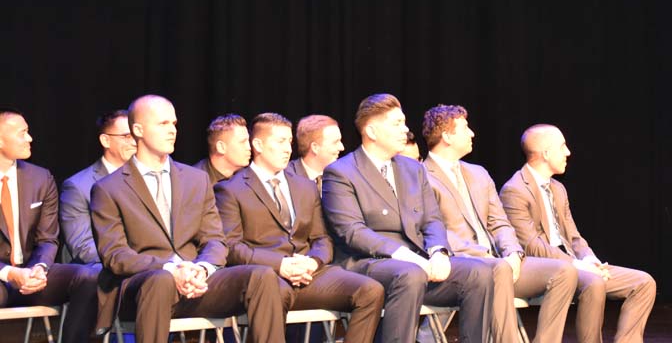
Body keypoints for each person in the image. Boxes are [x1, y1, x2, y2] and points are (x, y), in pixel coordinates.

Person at [90, 95, 286, 342]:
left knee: (262, 276)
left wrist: (202, 268)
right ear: (138, 130)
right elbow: (115, 256)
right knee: (160, 281)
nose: (172, 130)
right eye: (162, 124)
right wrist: (171, 269)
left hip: (196, 281)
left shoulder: (196, 179)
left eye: (174, 124)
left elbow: (215, 240)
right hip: (142, 285)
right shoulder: (109, 188)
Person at [321, 94, 497, 343]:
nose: (405, 129)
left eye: (403, 122)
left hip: (419, 263)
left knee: (478, 272)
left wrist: (438, 252)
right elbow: (352, 232)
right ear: (371, 131)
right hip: (368, 263)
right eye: (396, 123)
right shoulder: (341, 172)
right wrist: (409, 258)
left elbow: (432, 219)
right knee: (409, 274)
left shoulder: (412, 168)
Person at [215, 113, 384, 343]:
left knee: (370, 291)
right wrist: (281, 265)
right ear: (258, 145)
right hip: (269, 276)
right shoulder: (231, 189)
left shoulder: (304, 186)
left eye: (290, 142)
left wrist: (312, 262)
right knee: (272, 292)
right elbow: (232, 248)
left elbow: (322, 239)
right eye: (280, 142)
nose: (287, 149)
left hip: (309, 274)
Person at [423, 105, 576, 343]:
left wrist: (513, 253)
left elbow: (500, 223)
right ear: (446, 136)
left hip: (501, 261)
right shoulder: (422, 176)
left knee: (564, 272)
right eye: (465, 128)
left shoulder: (479, 173)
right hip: (463, 264)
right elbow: (433, 231)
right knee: (499, 270)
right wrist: (493, 260)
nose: (472, 133)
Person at [500, 125, 655, 343]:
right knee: (594, 281)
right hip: (546, 269)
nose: (568, 152)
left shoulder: (558, 189)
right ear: (545, 153)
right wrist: (578, 265)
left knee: (643, 282)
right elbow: (532, 247)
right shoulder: (514, 190)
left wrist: (590, 259)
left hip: (576, 264)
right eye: (562, 146)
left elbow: (574, 237)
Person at [0, 109, 99, 343]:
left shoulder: (40, 178)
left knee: (88, 276)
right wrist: (11, 273)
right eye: (22, 133)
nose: (30, 138)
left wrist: (40, 268)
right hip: (2, 276)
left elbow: (48, 239)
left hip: (32, 272)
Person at [59, 109, 138, 264]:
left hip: (151, 266)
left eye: (136, 136)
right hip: (106, 268)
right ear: (105, 140)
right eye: (127, 136)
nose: (135, 142)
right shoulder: (78, 186)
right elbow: (83, 247)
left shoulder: (148, 177)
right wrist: (132, 264)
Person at [287, 115, 344, 189]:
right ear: (315, 147)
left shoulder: (340, 177)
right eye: (335, 142)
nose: (342, 148)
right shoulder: (287, 177)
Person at [196, 114, 252, 185]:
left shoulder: (248, 176)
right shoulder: (196, 181)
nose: (249, 147)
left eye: (248, 141)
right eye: (242, 142)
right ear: (221, 147)